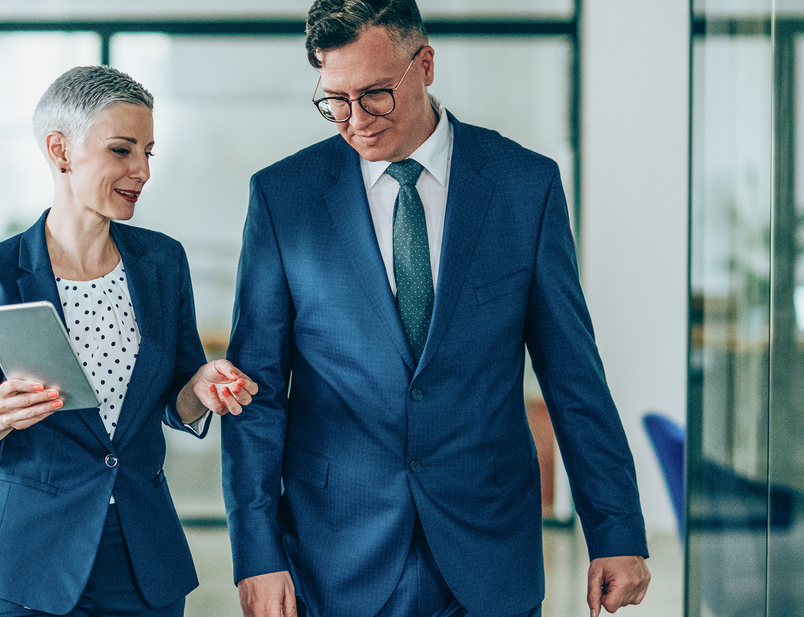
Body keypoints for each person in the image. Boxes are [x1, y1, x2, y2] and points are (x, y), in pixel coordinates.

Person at [221, 2, 651, 616]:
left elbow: (572, 373)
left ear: (424, 65)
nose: (354, 122)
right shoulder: (282, 197)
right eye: (335, 100)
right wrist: (256, 552)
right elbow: (256, 391)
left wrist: (616, 531)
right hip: (335, 553)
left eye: (374, 95)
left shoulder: (524, 186)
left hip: (489, 547)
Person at [0, 65, 259, 617]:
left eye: (148, 152)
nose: (142, 170)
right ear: (60, 150)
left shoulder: (162, 262)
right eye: (121, 150)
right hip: (24, 562)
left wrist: (201, 385)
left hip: (141, 559)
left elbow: (175, 401)